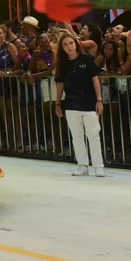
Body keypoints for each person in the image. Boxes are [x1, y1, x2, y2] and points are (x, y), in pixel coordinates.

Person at [54, 32, 105, 177]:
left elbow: (95, 79)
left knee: (93, 134)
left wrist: (99, 99)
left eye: (71, 43)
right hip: (71, 103)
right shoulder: (62, 64)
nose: (69, 47)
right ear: (62, 48)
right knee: (77, 135)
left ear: (76, 44)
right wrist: (58, 103)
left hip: (89, 101)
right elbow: (60, 83)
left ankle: (98, 165)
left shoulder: (86, 59)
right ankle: (82, 164)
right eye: (65, 44)